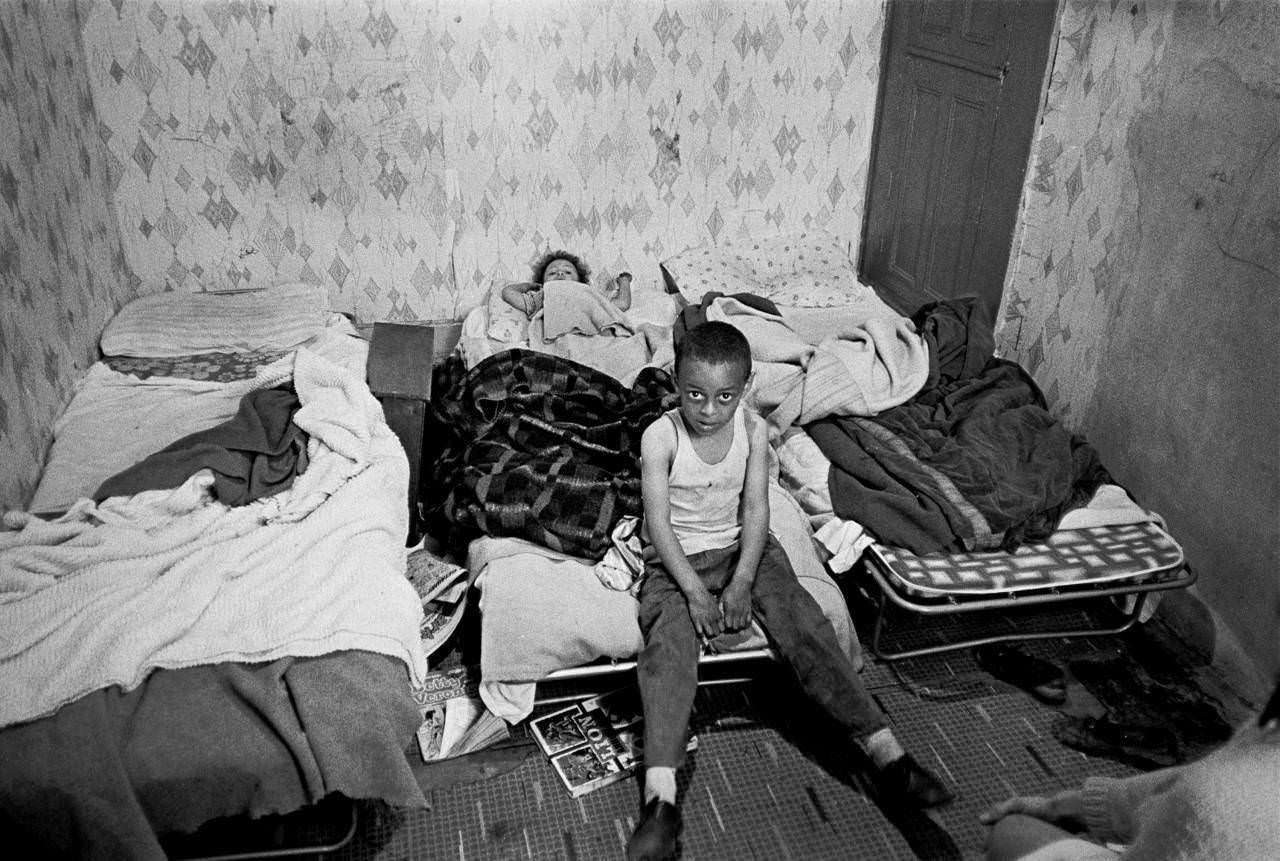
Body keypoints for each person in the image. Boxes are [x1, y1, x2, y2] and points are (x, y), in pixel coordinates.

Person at [625, 321, 953, 861]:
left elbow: (758, 509)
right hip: (676, 561)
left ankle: (889, 756)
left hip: (743, 550)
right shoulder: (660, 436)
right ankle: (659, 803)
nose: (708, 410)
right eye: (695, 395)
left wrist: (743, 581)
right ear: (675, 383)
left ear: (747, 389)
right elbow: (658, 523)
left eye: (725, 397)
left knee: (804, 622)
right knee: (667, 653)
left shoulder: (753, 431)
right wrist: (695, 593)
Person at [981, 678, 1280, 860]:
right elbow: (1189, 783)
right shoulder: (1263, 745)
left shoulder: (1229, 807)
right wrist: (1062, 807)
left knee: (1008, 832)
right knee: (1016, 830)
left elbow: (1208, 800)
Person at [500, 249, 631, 317]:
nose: (560, 274)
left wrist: (624, 281)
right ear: (543, 284)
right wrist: (528, 286)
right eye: (552, 273)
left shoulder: (589, 295)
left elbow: (622, 304)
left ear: (580, 283)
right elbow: (508, 292)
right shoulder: (540, 298)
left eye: (568, 272)